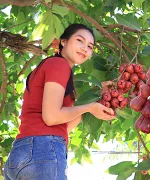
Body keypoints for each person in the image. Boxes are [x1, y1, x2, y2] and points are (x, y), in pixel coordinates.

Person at [4, 24, 115, 180]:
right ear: (63, 41)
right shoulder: (59, 64)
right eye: (80, 40)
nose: (85, 48)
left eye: (90, 46)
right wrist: (90, 106)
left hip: (19, 156)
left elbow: (62, 126)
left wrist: (96, 101)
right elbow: (52, 117)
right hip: (42, 153)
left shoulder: (53, 67)